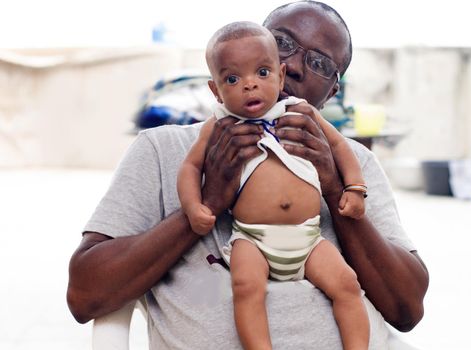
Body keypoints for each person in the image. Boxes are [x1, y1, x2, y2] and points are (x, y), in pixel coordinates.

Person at [67, 2, 429, 349]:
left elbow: (407, 307)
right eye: (283, 43)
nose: (295, 65)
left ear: (331, 92)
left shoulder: (354, 162)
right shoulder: (165, 149)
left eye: (318, 62)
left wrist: (335, 187)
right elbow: (86, 294)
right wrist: (206, 203)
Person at [178, 21, 369, 349]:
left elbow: (340, 147)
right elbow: (190, 167)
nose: (249, 86)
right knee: (246, 288)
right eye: (233, 79)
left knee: (347, 285)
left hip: (308, 238)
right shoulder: (220, 124)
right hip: (253, 239)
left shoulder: (301, 112)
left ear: (280, 76)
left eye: (262, 73)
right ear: (215, 89)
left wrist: (354, 188)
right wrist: (195, 206)